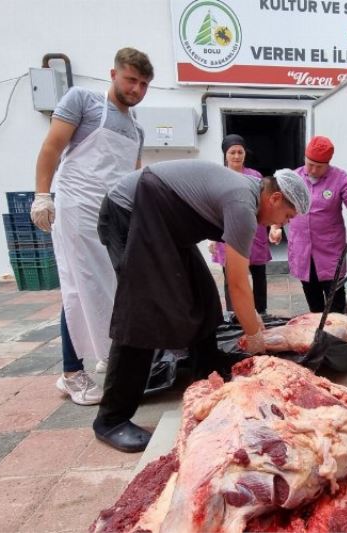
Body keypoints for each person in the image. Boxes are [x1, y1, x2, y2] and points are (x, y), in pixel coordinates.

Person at [93, 160, 310, 452]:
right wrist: (255, 335)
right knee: (145, 310)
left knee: (203, 295)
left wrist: (254, 324)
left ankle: (207, 367)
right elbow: (237, 282)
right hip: (130, 214)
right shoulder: (242, 206)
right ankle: (111, 419)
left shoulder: (248, 195)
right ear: (274, 198)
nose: (283, 223)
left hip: (165, 225)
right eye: (287, 215)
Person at [29, 48, 153, 406]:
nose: (137, 89)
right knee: (80, 289)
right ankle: (71, 373)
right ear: (113, 74)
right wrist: (42, 195)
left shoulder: (136, 129)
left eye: (144, 84)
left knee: (113, 289)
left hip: (114, 215)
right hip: (79, 207)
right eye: (131, 80)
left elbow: (134, 175)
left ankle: (106, 353)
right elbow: (51, 148)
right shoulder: (82, 101)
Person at [270, 135, 347, 314]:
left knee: (336, 305)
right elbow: (280, 205)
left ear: (328, 163)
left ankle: (336, 338)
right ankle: (319, 334)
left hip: (330, 252)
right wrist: (275, 227)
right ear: (304, 158)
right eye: (310, 164)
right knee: (314, 304)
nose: (314, 169)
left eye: (319, 166)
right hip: (302, 251)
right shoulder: (295, 178)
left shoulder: (338, 177)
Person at [209, 134, 271, 315]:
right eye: (232, 152)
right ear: (225, 155)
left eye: (240, 152)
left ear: (245, 154)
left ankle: (261, 311)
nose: (236, 156)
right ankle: (233, 313)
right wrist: (210, 238)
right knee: (232, 277)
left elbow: (265, 203)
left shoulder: (255, 176)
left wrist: (273, 227)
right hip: (226, 232)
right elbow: (211, 207)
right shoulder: (217, 176)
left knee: (259, 275)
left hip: (254, 232)